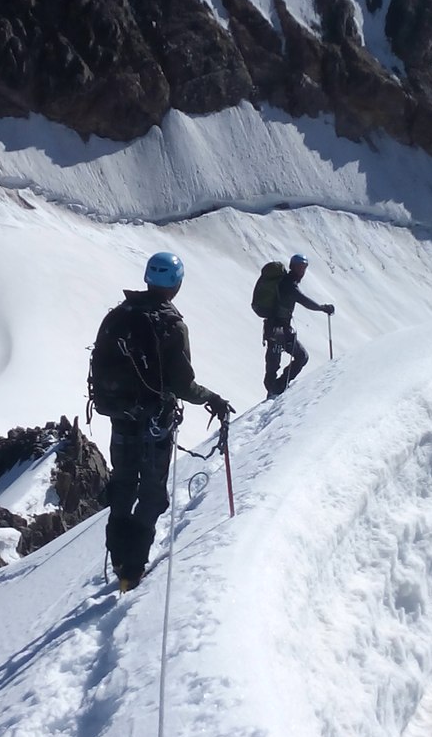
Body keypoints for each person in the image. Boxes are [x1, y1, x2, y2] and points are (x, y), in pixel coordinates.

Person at [89, 251, 231, 590]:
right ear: (176, 284)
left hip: (120, 416)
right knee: (151, 494)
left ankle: (120, 556)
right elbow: (182, 383)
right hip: (155, 422)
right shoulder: (170, 323)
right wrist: (212, 399)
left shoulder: (118, 315)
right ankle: (132, 571)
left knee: (123, 485)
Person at [263, 253, 335, 398]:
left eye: (304, 267)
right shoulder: (288, 284)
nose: (302, 271)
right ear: (293, 267)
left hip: (280, 329)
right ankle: (275, 389)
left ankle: (277, 387)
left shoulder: (288, 282)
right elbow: (304, 300)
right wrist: (322, 308)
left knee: (296, 357)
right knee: (282, 361)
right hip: (277, 330)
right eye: (300, 267)